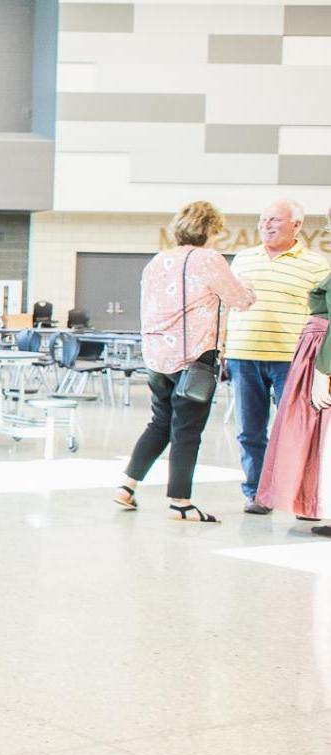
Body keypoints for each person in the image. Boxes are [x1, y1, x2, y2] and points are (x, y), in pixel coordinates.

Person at [115, 201, 256, 523]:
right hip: (193, 358)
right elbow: (241, 300)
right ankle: (180, 502)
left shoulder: (157, 260)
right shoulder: (208, 259)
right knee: (187, 429)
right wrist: (247, 282)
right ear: (209, 228)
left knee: (160, 422)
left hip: (157, 357)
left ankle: (127, 485)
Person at [223, 201, 329, 514]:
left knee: (298, 432)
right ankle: (257, 493)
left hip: (291, 361)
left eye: (275, 220)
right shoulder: (243, 258)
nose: (267, 225)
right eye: (263, 219)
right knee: (250, 431)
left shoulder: (316, 264)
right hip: (244, 356)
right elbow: (230, 304)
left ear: (297, 225)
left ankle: (299, 497)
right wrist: (224, 349)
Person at [255, 227, 331, 524]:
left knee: (320, 436)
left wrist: (322, 372)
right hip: (315, 349)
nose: (327, 231)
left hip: (321, 352)